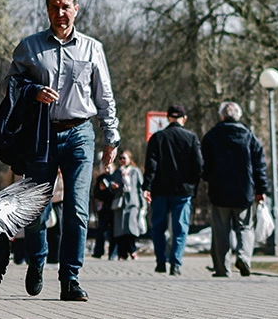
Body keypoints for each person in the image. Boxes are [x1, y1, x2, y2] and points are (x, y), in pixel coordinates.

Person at [5, 0, 120, 302]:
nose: (60, 13)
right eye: (54, 7)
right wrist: (33, 93)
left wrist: (112, 137)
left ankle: (70, 278)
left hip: (80, 134)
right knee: (35, 210)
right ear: (47, 10)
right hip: (41, 134)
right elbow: (11, 86)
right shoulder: (30, 47)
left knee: (77, 211)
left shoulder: (92, 49)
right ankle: (37, 261)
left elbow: (104, 96)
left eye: (65, 6)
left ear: (76, 9)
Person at [200, 101, 268, 277]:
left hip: (219, 191)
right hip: (244, 191)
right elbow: (259, 165)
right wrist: (261, 189)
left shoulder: (211, 136)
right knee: (245, 227)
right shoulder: (249, 136)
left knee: (221, 231)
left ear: (222, 116)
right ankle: (244, 258)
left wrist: (207, 178)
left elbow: (204, 165)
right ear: (239, 116)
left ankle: (222, 269)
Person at [143, 104, 203, 275]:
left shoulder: (157, 138)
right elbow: (199, 166)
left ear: (168, 118)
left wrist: (147, 186)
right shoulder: (191, 138)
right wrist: (192, 183)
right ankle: (175, 263)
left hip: (160, 189)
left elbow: (151, 165)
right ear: (184, 119)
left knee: (158, 227)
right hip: (183, 191)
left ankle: (161, 261)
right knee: (180, 227)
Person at [111, 150, 146, 260]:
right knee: (120, 229)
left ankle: (132, 249)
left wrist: (143, 203)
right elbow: (110, 187)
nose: (122, 160)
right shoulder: (117, 172)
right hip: (120, 203)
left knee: (131, 227)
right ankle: (122, 252)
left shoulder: (135, 171)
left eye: (124, 158)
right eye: (120, 158)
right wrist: (113, 187)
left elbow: (141, 187)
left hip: (133, 202)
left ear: (130, 159)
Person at [91, 162, 119, 260]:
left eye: (109, 167)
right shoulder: (100, 178)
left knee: (113, 232)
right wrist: (102, 189)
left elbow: (118, 193)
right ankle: (98, 252)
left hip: (114, 208)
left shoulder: (117, 177)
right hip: (103, 209)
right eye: (105, 168)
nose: (107, 170)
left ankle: (113, 253)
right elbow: (95, 194)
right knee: (101, 230)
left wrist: (112, 189)